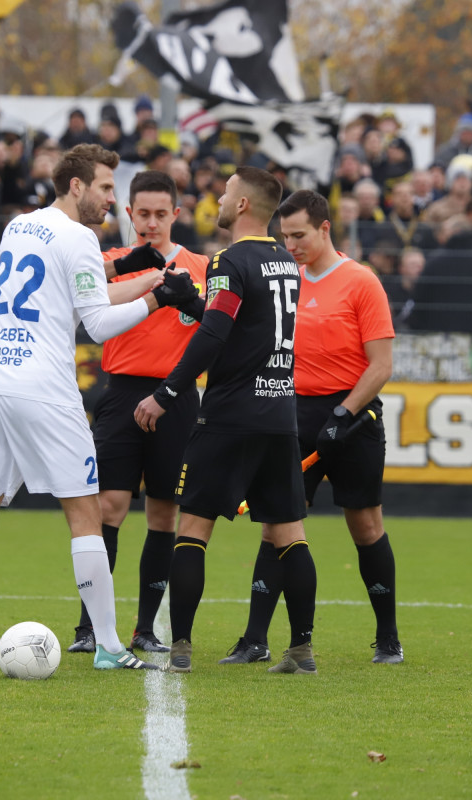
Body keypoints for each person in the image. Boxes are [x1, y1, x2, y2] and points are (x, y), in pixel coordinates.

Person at [0, 144, 196, 670]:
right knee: (86, 515)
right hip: (44, 389)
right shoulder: (79, 237)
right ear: (76, 186)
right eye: (105, 187)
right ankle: (109, 647)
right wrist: (157, 299)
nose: (111, 198)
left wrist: (139, 272)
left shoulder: (19, 226)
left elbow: (67, 285)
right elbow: (97, 323)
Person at [133, 166, 317, 675]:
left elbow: (215, 334)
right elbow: (242, 324)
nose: (218, 198)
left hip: (230, 415)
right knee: (290, 533)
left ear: (242, 205)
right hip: (279, 414)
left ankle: (181, 648)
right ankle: (302, 649)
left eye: (226, 191)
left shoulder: (228, 260)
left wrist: (166, 393)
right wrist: (191, 300)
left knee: (193, 529)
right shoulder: (286, 262)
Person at [221, 189, 402, 666]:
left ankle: (388, 639)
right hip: (291, 416)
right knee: (276, 525)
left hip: (353, 419)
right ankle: (255, 640)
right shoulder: (286, 279)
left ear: (325, 228)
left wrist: (343, 414)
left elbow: (381, 365)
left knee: (365, 525)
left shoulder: (361, 282)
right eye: (285, 236)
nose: (291, 245)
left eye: (299, 235)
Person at [64, 170, 209, 655]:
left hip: (178, 397)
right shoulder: (112, 261)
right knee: (107, 507)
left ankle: (145, 628)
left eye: (160, 214)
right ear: (129, 213)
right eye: (142, 213)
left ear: (176, 215)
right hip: (122, 393)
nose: (151, 223)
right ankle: (90, 626)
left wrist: (195, 300)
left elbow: (218, 327)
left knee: (164, 513)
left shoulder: (200, 267)